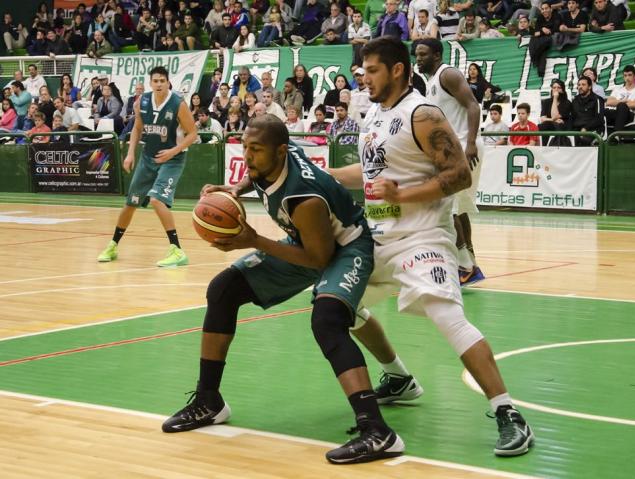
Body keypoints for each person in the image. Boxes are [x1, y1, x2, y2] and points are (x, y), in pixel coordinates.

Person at [329, 36, 534, 458]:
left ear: (398, 69)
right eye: (362, 70)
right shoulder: (371, 115)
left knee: (448, 318)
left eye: (372, 70)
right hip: (379, 238)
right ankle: (399, 378)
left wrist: (400, 195)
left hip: (422, 238)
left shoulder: (422, 114)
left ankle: (508, 412)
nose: (363, 78)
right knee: (336, 305)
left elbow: (458, 174)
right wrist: (326, 174)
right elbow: (369, 173)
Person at [163, 114, 405, 465]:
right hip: (305, 240)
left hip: (346, 247)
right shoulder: (274, 158)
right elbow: (258, 177)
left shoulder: (302, 196)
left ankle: (377, 431)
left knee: (327, 320)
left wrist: (253, 240)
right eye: (245, 147)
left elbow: (319, 258)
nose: (248, 156)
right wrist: (234, 189)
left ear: (280, 151)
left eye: (256, 150)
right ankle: (208, 401)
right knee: (223, 289)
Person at [97, 66, 198, 267]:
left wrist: (173, 151)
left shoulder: (178, 104)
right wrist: (130, 154)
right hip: (148, 158)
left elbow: (193, 134)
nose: (159, 84)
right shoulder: (141, 102)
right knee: (131, 203)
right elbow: (137, 128)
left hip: (172, 160)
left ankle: (177, 250)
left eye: (163, 80)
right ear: (150, 83)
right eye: (156, 81)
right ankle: (113, 245)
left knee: (156, 200)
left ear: (168, 82)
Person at [416, 38, 484, 286]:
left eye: (422, 54)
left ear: (436, 54)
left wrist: (471, 143)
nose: (418, 58)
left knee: (447, 207)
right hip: (454, 150)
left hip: (464, 148)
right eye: (416, 54)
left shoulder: (449, 75)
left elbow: (473, 106)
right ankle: (470, 264)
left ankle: (464, 266)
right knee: (459, 208)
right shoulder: (431, 82)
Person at [605, 65, 635, 133]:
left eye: (630, 75)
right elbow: (609, 102)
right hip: (614, 114)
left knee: (622, 106)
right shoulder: (617, 90)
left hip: (629, 115)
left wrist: (617, 102)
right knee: (602, 110)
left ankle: (616, 134)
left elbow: (634, 104)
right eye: (625, 75)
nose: (627, 78)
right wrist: (624, 101)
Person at [572, 75, 605, 145]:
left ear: (589, 87)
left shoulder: (597, 99)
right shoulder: (575, 100)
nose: (580, 87)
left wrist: (585, 128)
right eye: (579, 85)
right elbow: (572, 117)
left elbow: (599, 118)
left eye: (583, 85)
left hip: (594, 129)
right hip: (577, 129)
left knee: (583, 140)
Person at [529, 2, 559, 77]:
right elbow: (535, 33)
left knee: (545, 40)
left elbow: (554, 30)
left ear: (551, 9)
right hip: (542, 39)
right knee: (535, 40)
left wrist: (542, 31)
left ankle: (534, 58)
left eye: (546, 8)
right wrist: (543, 30)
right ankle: (541, 71)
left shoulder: (557, 16)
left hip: (554, 38)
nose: (544, 11)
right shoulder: (540, 17)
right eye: (542, 9)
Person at [538, 79, 573, 145]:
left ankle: (558, 146)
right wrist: (552, 120)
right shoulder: (546, 102)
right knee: (542, 126)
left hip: (563, 126)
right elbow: (542, 119)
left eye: (559, 87)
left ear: (562, 90)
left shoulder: (567, 103)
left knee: (557, 125)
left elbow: (554, 116)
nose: (556, 89)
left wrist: (555, 98)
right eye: (554, 88)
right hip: (549, 125)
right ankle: (544, 147)